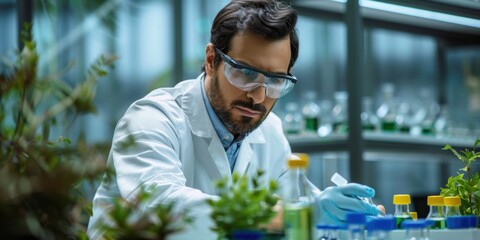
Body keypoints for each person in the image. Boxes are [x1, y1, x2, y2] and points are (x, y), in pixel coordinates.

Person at [87, 0, 383, 239]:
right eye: (245, 73)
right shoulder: (152, 119)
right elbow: (163, 205)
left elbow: (294, 202)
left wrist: (344, 217)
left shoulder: (270, 131)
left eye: (275, 80)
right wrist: (297, 215)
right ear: (211, 60)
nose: (258, 97)